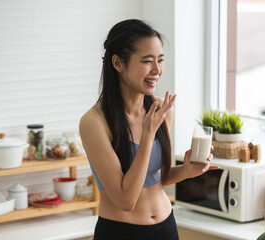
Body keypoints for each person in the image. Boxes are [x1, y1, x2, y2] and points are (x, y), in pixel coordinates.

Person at [79, 19, 219, 240]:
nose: (157, 70)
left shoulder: (161, 110)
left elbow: (156, 177)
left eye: (160, 60)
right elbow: (126, 200)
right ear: (118, 63)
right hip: (121, 232)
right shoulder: (94, 122)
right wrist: (147, 136)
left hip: (166, 228)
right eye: (147, 61)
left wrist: (186, 170)